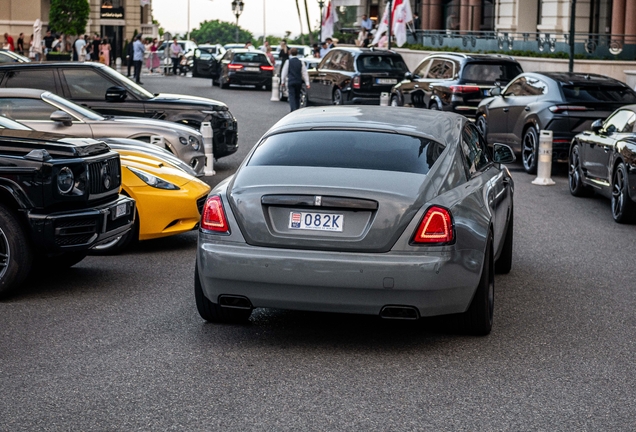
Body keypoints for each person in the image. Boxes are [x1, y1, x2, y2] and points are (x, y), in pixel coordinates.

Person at [280, 47, 310, 112]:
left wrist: (282, 81)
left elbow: (284, 72)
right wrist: (307, 83)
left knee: (291, 96)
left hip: (291, 81)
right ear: (297, 53)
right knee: (297, 96)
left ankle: (293, 109)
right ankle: (297, 108)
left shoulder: (288, 62)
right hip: (298, 81)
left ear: (290, 53)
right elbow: (304, 73)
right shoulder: (301, 62)